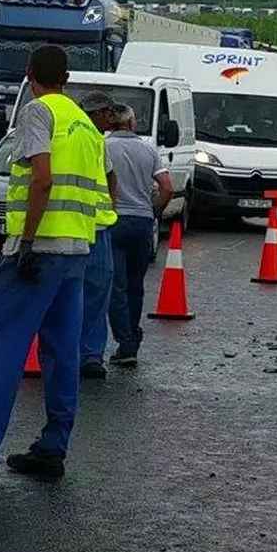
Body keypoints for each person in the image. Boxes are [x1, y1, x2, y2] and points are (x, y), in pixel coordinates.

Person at [0, 45, 109, 480]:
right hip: (76, 253)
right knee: (62, 350)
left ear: (29, 73)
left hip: (38, 250)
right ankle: (53, 448)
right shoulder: (86, 124)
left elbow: (43, 178)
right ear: (68, 76)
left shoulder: (38, 113)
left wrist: (28, 241)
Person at [105, 104, 172, 366]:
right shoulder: (148, 149)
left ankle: (126, 342)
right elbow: (166, 187)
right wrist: (153, 211)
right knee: (136, 284)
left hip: (114, 220)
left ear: (111, 124)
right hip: (143, 221)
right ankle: (133, 330)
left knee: (116, 286)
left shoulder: (104, 146)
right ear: (132, 123)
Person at [76, 91, 119, 379]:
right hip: (87, 230)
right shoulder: (89, 138)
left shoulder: (96, 140)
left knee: (86, 295)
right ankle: (88, 354)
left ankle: (84, 355)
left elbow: (110, 176)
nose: (111, 119)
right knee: (91, 295)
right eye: (107, 113)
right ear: (97, 113)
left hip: (80, 228)